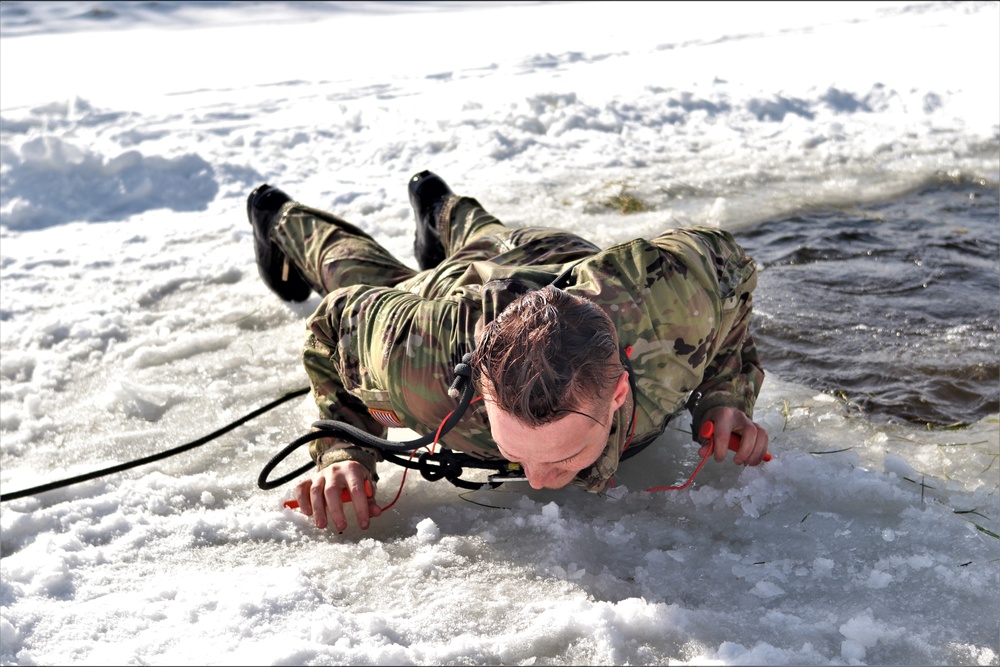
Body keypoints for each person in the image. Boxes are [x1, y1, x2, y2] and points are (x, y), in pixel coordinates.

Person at [247, 171, 769, 532]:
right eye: (517, 452)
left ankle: (436, 204)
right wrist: (345, 451)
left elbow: (732, 276)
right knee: (365, 275)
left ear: (617, 392)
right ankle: (277, 215)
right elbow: (334, 322)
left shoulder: (671, 303)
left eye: (563, 455)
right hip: (456, 296)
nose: (539, 483)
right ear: (480, 390)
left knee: (485, 232)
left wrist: (726, 394)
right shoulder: (419, 364)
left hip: (550, 252)